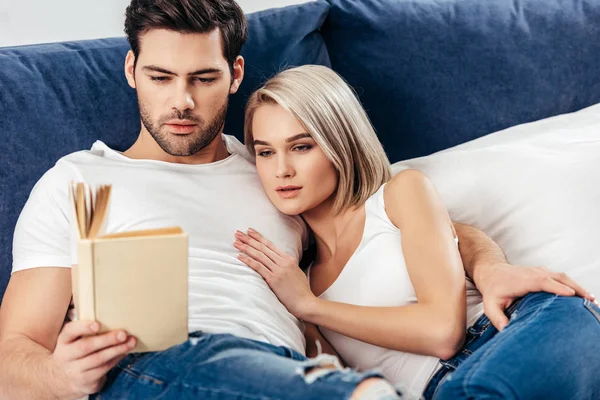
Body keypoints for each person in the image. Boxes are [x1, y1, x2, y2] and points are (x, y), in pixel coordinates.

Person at [0, 1, 589, 399]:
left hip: (292, 370)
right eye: (160, 77)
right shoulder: (78, 181)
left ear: (234, 75)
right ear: (131, 70)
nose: (181, 100)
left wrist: (489, 265)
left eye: (202, 79)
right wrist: (58, 374)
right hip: (159, 361)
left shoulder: (263, 165)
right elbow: (10, 358)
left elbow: (411, 220)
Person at [237, 64, 600, 400]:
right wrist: (306, 309)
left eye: (301, 147)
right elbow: (342, 385)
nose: (281, 169)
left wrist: (312, 306)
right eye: (265, 153)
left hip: (517, 332)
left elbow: (443, 332)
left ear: (339, 143)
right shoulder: (298, 281)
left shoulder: (399, 195)